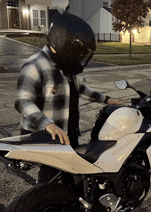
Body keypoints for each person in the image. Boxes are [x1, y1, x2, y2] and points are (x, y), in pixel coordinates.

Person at [15, 11, 122, 182]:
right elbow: (23, 101)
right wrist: (48, 125)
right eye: (78, 51)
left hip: (68, 132)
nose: (80, 57)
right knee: (50, 180)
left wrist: (107, 99)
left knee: (71, 176)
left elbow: (79, 88)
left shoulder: (66, 65)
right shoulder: (35, 65)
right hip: (47, 136)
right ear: (64, 42)